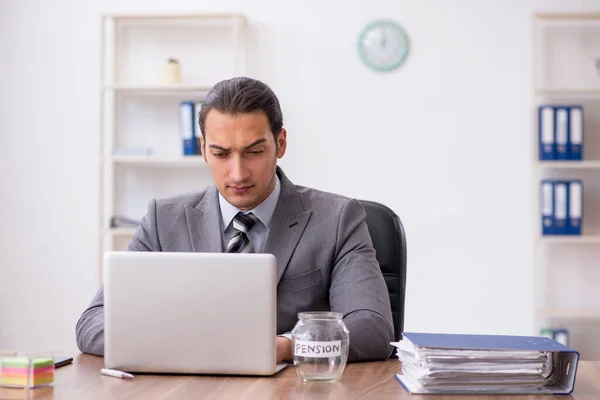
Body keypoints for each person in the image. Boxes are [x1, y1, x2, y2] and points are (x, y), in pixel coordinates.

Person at [76, 77, 394, 362]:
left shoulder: (338, 219)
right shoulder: (164, 219)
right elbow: (93, 323)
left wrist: (288, 346)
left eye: (254, 152)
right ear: (203, 149)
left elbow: (372, 328)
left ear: (280, 144)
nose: (238, 173)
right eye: (221, 154)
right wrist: (186, 346)